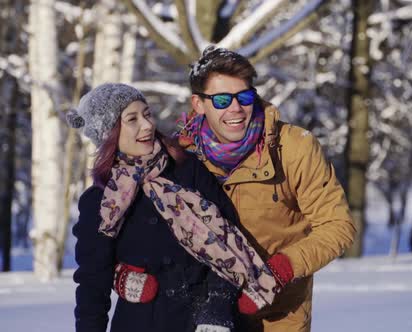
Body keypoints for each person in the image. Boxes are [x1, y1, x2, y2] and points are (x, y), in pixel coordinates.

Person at [69, 83, 281, 332]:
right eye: (132, 119)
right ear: (109, 133)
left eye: (147, 114)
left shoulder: (187, 169)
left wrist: (217, 309)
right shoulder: (101, 202)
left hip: (209, 320)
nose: (147, 125)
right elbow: (93, 283)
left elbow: (229, 239)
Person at [176, 46, 357, 331]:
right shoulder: (181, 155)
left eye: (244, 97)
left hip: (278, 314)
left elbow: (337, 225)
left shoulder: (294, 147)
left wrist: (282, 269)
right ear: (198, 104)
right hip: (203, 312)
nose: (235, 108)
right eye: (222, 100)